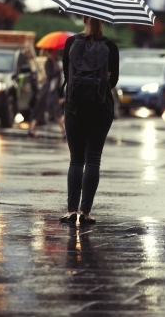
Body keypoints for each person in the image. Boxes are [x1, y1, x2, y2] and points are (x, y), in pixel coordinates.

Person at [59, 16, 119, 225]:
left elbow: (67, 71)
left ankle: (71, 211)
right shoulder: (110, 46)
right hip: (101, 107)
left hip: (74, 107)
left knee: (76, 159)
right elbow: (114, 80)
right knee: (93, 159)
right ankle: (85, 213)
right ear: (104, 20)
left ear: (84, 19)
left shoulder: (71, 43)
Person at [28, 49, 66, 138]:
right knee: (46, 110)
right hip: (48, 90)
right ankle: (32, 129)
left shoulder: (55, 61)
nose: (57, 53)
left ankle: (32, 129)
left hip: (52, 90)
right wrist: (59, 70)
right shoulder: (49, 61)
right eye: (55, 52)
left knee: (54, 110)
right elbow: (50, 74)